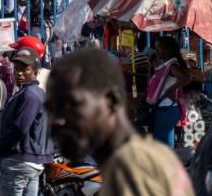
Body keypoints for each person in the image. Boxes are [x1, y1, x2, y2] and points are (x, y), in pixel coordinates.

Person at [46, 49, 194, 196]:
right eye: (51, 109)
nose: (57, 120)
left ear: (111, 101)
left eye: (72, 105)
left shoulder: (136, 170)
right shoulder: (116, 165)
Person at [0, 48, 53, 196]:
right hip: (29, 163)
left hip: (18, 162)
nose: (19, 73)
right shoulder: (32, 92)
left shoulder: (30, 95)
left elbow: (19, 129)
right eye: (17, 68)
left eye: (25, 68)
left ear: (35, 70)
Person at [147, 36, 191, 148]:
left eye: (159, 48)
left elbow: (186, 78)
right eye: (155, 48)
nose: (156, 51)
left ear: (169, 49)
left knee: (164, 147)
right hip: (164, 108)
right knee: (162, 146)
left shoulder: (172, 65)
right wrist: (150, 66)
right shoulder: (165, 65)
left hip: (167, 109)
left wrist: (171, 89)